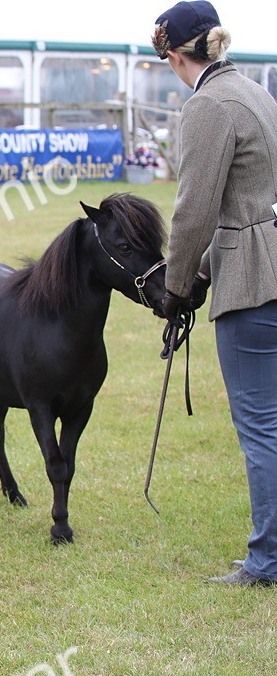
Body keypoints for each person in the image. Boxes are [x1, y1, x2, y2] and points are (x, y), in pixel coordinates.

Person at [155, 0, 277, 587]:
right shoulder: (256, 93)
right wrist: (203, 272)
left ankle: (268, 559)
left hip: (254, 281)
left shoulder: (206, 105)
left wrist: (177, 287)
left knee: (261, 427)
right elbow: (247, 204)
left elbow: (195, 211)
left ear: (177, 56)